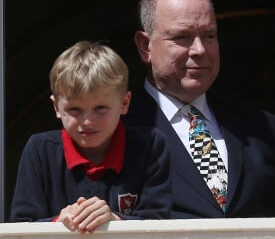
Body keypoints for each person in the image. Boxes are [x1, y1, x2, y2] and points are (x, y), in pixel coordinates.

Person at [122, 0, 275, 218]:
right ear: (145, 46)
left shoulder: (262, 127)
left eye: (209, 35)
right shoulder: (111, 129)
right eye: (182, 37)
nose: (200, 50)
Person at [9, 40, 171, 233]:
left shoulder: (150, 145)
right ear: (56, 107)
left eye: (100, 108)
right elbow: (20, 227)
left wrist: (114, 220)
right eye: (74, 109)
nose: (87, 121)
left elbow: (159, 224)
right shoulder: (40, 150)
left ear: (125, 103)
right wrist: (58, 221)